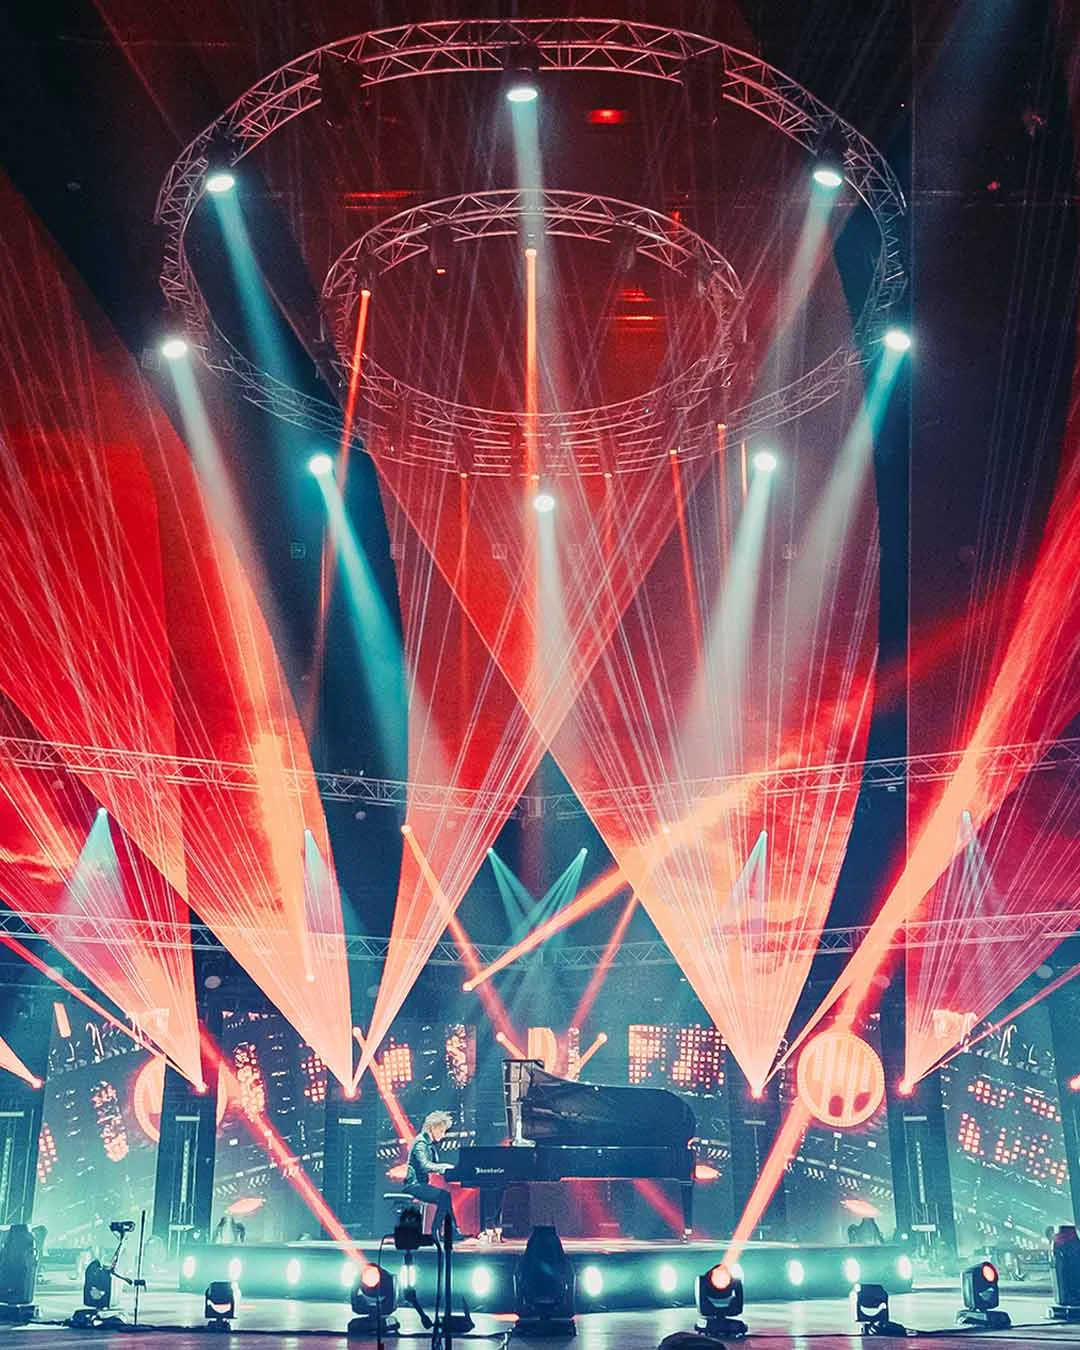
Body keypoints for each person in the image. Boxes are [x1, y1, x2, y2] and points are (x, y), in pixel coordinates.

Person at [404, 1110, 466, 1241]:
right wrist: (445, 1167)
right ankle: (436, 1230)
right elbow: (425, 1165)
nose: (443, 1135)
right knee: (444, 1196)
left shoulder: (428, 1144)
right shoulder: (420, 1143)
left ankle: (451, 1230)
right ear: (432, 1128)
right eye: (441, 1131)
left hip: (421, 1184)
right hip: (413, 1185)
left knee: (445, 1197)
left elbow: (433, 1165)